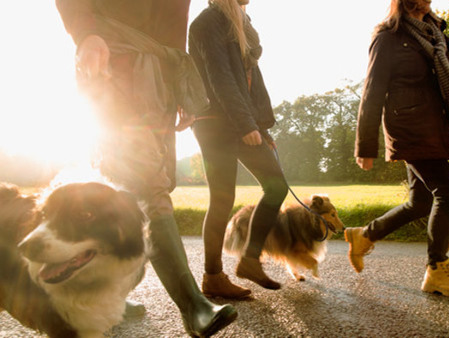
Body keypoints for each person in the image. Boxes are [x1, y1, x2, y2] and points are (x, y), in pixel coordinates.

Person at [54, 0, 238, 336]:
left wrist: (178, 82)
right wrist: (85, 32)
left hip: (161, 75)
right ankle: (193, 305)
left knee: (135, 189)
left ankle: (101, 296)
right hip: (116, 59)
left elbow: (175, 15)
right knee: (146, 185)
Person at [346, 0, 449, 299]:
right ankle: (437, 268)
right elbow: (372, 90)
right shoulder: (388, 36)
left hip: (436, 125)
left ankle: (364, 235)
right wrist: (365, 144)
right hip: (408, 127)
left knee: (420, 203)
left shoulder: (437, 33)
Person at [187, 0, 288, 298]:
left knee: (276, 186)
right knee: (222, 198)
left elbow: (249, 82)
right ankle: (213, 277)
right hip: (214, 121)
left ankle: (250, 260)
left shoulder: (243, 25)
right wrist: (246, 124)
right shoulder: (207, 22)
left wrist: (261, 126)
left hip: (242, 119)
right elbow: (220, 76)